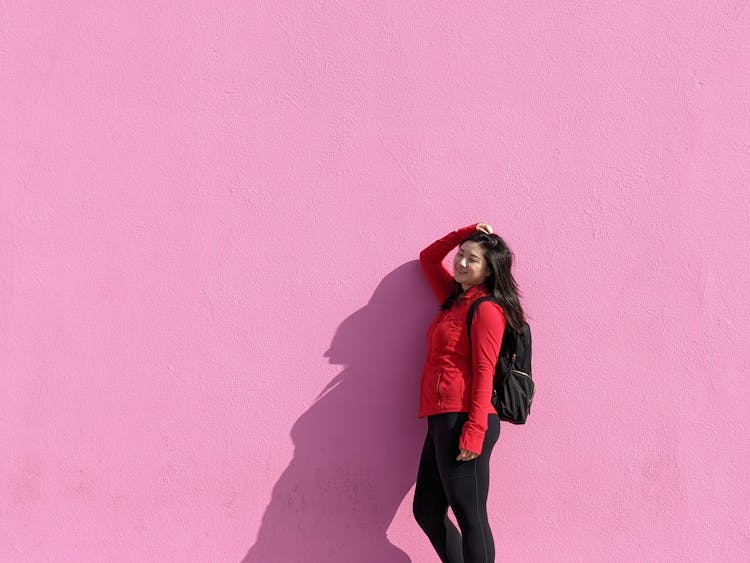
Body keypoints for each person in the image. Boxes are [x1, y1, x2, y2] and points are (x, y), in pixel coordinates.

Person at [412, 222, 526, 563]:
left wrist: (474, 432)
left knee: (470, 515)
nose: (461, 263)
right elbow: (429, 259)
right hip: (440, 417)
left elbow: (483, 373)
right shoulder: (454, 299)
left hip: (466, 419)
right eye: (461, 255)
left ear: (489, 270)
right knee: (427, 510)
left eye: (471, 259)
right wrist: (467, 230)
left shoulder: (487, 309)